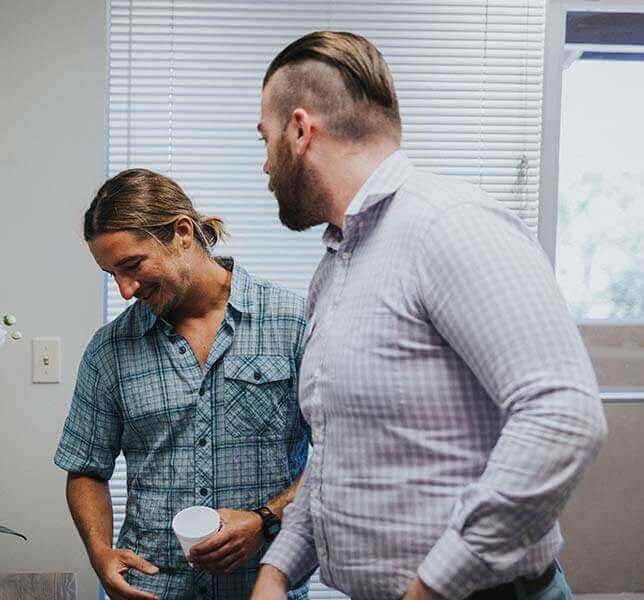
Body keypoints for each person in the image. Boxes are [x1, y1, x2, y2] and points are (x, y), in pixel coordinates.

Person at [250, 31, 607, 600]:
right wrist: (277, 570)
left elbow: (563, 415)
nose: (264, 163)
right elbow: (339, 454)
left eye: (265, 139)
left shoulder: (451, 225)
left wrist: (434, 585)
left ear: (299, 130)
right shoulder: (336, 267)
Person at [54, 168, 312, 599]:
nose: (125, 289)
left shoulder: (293, 323)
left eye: (132, 266)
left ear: (182, 232)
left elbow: (342, 453)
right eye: (112, 274)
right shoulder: (110, 350)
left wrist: (266, 519)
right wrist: (100, 552)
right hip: (153, 589)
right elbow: (85, 468)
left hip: (265, 586)